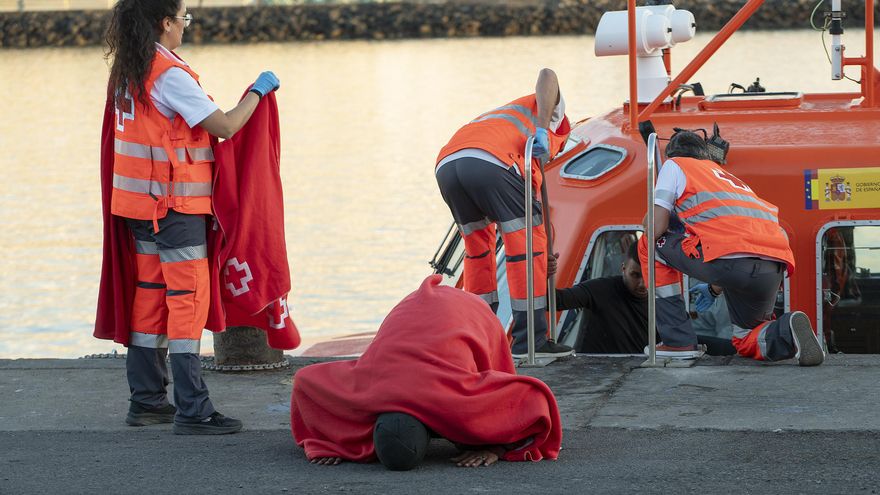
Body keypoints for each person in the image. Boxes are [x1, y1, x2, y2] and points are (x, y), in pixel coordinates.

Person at [102, 0, 280, 434]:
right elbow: (225, 126)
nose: (185, 26)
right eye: (183, 18)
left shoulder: (130, 70)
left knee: (149, 299)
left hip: (137, 206)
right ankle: (194, 409)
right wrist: (257, 92)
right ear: (165, 23)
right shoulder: (171, 76)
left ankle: (146, 401)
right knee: (187, 303)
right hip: (175, 206)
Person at [292, 276, 562, 469]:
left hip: (470, 310)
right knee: (486, 412)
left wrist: (494, 445)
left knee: (482, 414)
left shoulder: (457, 401)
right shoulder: (365, 391)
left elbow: (535, 400)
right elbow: (305, 382)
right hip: (420, 311)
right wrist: (331, 442)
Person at [639, 130, 824, 365]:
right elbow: (738, 244)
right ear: (705, 156)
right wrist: (715, 288)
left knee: (649, 244)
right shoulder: (728, 180)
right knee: (746, 337)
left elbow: (655, 228)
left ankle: (677, 342)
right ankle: (786, 330)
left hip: (730, 262)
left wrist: (650, 214)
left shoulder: (675, 165)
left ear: (671, 156)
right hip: (772, 267)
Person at [435, 68, 574, 359]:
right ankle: (531, 344)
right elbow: (548, 75)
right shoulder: (550, 117)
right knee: (526, 251)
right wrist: (542, 126)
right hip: (493, 163)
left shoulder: (498, 119)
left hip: (448, 165)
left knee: (478, 254)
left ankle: (477, 341)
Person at [549, 241, 651, 353]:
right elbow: (555, 301)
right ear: (623, 268)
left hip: (641, 369)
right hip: (595, 368)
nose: (642, 284)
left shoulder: (663, 301)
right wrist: (542, 273)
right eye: (635, 275)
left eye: (648, 275)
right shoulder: (600, 290)